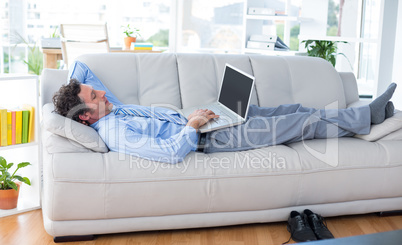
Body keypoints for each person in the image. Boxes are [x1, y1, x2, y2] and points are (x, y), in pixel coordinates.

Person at [52, 61, 396, 164]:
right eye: (95, 95)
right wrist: (193, 123)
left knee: (289, 107)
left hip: (206, 120)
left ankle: (363, 116)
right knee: (299, 122)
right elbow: (169, 152)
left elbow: (82, 68)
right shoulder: (113, 131)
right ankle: (368, 116)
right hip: (209, 138)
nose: (102, 92)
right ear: (85, 116)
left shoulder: (111, 111)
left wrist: (73, 92)